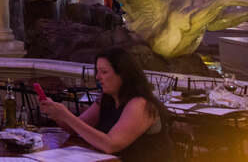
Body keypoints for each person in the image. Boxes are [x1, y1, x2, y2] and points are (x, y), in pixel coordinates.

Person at [39, 47, 174, 162]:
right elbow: (75, 128)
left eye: (104, 72)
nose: (98, 77)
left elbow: (110, 145)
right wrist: (56, 114)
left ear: (123, 75)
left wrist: (66, 115)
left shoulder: (140, 104)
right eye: (97, 71)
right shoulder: (106, 99)